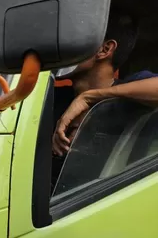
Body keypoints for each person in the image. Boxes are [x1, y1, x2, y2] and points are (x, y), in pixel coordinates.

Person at [52, 12, 158, 157]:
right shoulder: (52, 99)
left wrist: (89, 98)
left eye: (73, 41)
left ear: (105, 49)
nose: (61, 50)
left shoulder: (130, 96)